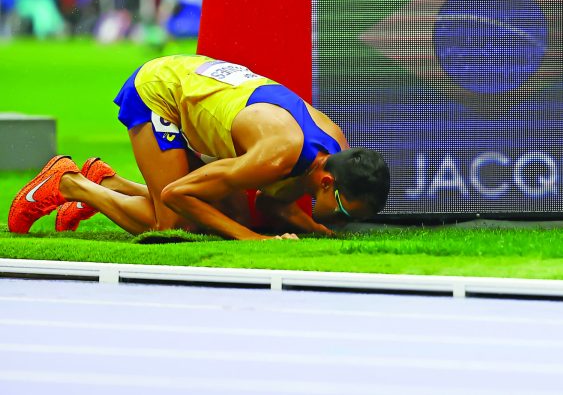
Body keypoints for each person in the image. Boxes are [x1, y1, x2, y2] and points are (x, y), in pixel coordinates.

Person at [7, 55, 390, 241]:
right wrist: (252, 239)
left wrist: (315, 229)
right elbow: (177, 194)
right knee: (173, 222)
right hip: (159, 94)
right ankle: (71, 183)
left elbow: (271, 204)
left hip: (199, 90)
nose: (341, 222)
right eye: (343, 214)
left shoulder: (335, 146)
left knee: (230, 214)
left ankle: (109, 182)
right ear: (327, 183)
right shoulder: (276, 156)